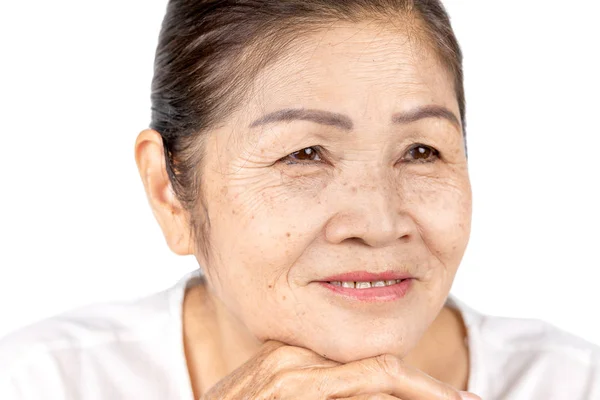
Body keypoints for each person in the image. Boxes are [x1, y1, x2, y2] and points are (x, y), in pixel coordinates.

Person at [1, 0, 599, 399]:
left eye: (421, 150)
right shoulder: (39, 381)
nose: (379, 221)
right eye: (304, 155)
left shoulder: (571, 382)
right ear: (170, 192)